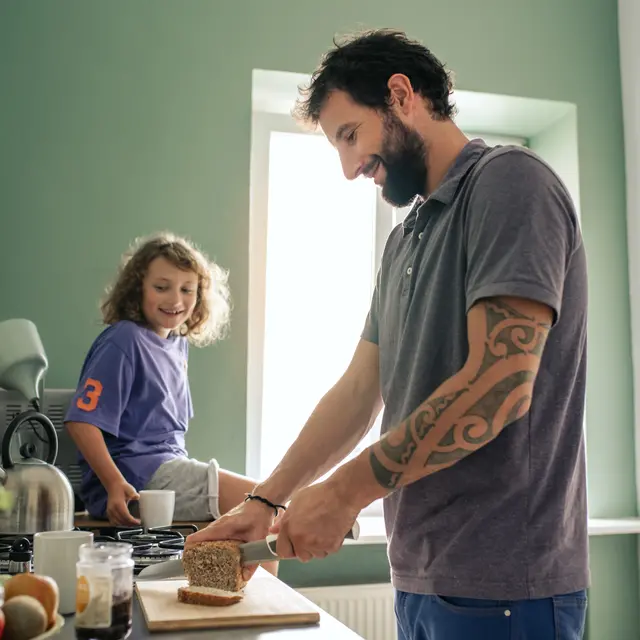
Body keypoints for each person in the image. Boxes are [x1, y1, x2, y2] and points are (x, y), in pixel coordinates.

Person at [187, 29, 589, 639]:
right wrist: (267, 503)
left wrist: (345, 492)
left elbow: (500, 384)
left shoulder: (510, 184)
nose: (350, 169)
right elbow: (359, 390)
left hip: (509, 585)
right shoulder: (407, 237)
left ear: (401, 95)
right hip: (421, 575)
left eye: (351, 136)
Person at [64, 232, 277, 573]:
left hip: (164, 470)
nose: (175, 299)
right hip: (134, 478)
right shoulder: (124, 340)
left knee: (252, 523)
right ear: (138, 288)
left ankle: (239, 610)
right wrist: (114, 483)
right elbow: (81, 421)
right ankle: (266, 611)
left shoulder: (177, 345)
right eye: (161, 287)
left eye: (186, 289)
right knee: (264, 502)